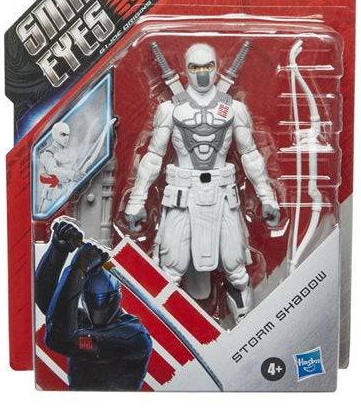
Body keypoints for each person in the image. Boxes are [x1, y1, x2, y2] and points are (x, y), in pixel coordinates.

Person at [124, 43, 280, 323]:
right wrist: (136, 200)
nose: (202, 74)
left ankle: (244, 328)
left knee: (236, 269)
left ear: (216, 68)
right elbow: (153, 156)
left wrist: (267, 197)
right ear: (185, 71)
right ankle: (166, 331)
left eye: (208, 67)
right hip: (182, 195)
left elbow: (250, 155)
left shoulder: (234, 109)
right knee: (171, 269)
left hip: (223, 195)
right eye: (195, 68)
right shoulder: (169, 109)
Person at [35, 217, 152, 390]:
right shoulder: (84, 322)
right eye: (92, 300)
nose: (98, 309)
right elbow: (46, 300)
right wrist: (58, 250)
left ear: (116, 297)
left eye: (103, 300)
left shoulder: (131, 336)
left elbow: (59, 339)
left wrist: (78, 269)